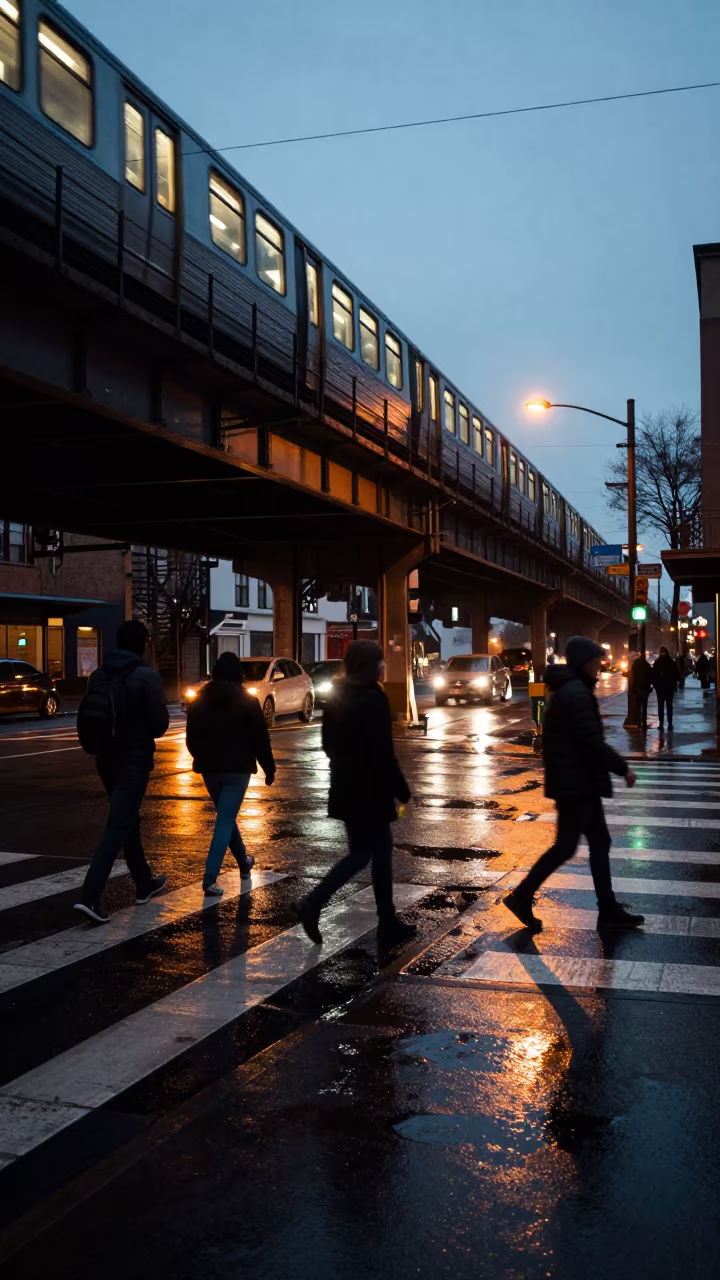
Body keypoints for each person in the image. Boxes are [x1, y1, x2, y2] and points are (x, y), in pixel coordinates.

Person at [503, 636, 644, 932]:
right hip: (576, 784)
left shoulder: (572, 690)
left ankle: (607, 908)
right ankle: (522, 895)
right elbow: (590, 742)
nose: (599, 667)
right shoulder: (577, 694)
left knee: (599, 842)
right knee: (565, 847)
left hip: (580, 783)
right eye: (595, 662)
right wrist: (622, 768)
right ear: (583, 663)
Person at [292, 639, 415, 947]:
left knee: (363, 854)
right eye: (380, 661)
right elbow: (383, 753)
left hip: (346, 787)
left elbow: (328, 746)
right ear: (368, 665)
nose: (383, 667)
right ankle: (381, 919)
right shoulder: (374, 697)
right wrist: (402, 790)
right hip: (371, 791)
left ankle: (322, 904)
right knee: (376, 854)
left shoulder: (337, 698)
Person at [74, 620, 169, 924]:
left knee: (128, 819)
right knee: (118, 824)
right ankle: (90, 895)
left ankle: (144, 883)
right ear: (142, 645)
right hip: (134, 759)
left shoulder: (99, 674)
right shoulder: (146, 677)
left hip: (104, 758)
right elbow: (159, 725)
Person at [186, 651, 275, 896]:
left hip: (209, 769)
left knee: (227, 817)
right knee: (225, 820)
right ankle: (209, 878)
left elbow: (191, 738)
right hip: (238, 770)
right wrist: (269, 768)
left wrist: (199, 757)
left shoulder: (199, 701)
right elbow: (260, 740)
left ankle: (244, 862)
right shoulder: (248, 701)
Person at [652, 645, 679, 731]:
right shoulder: (672, 662)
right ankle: (670, 723)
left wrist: (656, 685)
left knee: (660, 705)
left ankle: (661, 724)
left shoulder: (657, 662)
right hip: (669, 687)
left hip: (660, 688)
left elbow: (653, 676)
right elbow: (677, 675)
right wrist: (674, 684)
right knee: (669, 705)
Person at [628, 652, 653, 730]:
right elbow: (651, 676)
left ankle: (638, 723)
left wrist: (632, 689)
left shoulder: (635, 666)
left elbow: (633, 678)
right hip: (645, 689)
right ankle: (644, 723)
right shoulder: (647, 665)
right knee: (644, 707)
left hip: (637, 689)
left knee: (638, 707)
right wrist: (650, 687)